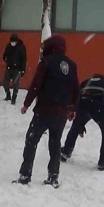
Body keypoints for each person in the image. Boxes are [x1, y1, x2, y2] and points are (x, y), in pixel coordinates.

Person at [16, 35, 79, 188]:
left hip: (44, 110)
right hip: (61, 112)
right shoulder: (71, 65)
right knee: (55, 144)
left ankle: (25, 175)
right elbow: (76, 88)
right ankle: (53, 177)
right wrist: (73, 108)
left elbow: (36, 84)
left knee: (31, 141)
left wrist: (26, 104)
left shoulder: (46, 62)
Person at [61, 74, 104, 170]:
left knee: (75, 128)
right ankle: (103, 162)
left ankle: (66, 152)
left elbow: (76, 97)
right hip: (100, 103)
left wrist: (79, 122)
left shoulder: (85, 82)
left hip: (84, 102)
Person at [3, 34, 27, 105]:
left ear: (17, 41)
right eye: (11, 41)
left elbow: (24, 59)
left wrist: (23, 70)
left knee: (15, 83)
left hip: (18, 69)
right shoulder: (8, 46)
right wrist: (5, 58)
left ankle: (14, 98)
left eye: (14, 41)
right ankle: (8, 95)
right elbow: (4, 55)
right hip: (9, 67)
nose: (12, 43)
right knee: (5, 83)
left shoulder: (21, 47)